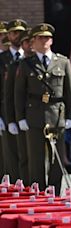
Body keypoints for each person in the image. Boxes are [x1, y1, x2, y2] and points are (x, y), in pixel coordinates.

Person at [15, 23, 71, 195]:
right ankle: (38, 193)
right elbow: (18, 93)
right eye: (40, 38)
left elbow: (70, 92)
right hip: (34, 116)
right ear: (33, 41)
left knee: (57, 160)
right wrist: (20, 118)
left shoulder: (63, 62)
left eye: (47, 38)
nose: (44, 41)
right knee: (36, 160)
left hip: (57, 116)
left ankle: (54, 193)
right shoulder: (26, 64)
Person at [4, 29, 33, 185]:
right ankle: (22, 186)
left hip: (36, 114)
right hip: (18, 114)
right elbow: (8, 95)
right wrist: (9, 119)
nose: (30, 45)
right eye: (27, 42)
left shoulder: (40, 62)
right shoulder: (15, 66)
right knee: (21, 155)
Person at [0, 19, 27, 183]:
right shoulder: (1, 59)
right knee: (9, 155)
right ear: (8, 36)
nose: (16, 36)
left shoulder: (30, 58)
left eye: (19, 32)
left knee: (28, 155)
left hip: (28, 111)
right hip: (6, 112)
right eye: (12, 32)